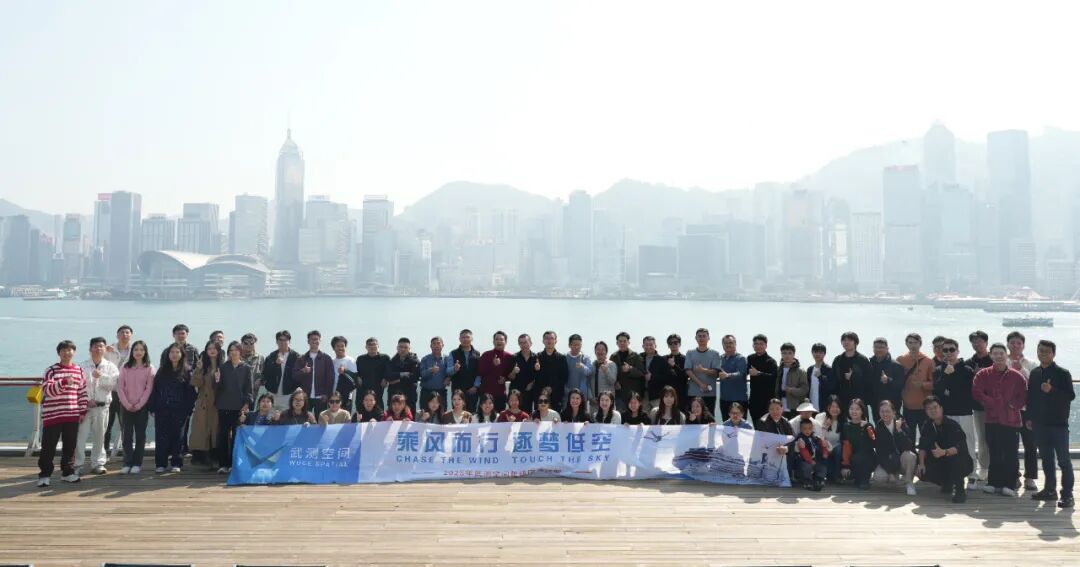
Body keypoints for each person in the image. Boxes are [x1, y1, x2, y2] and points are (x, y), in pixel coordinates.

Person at [972, 343, 1027, 497]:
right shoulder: (983, 374)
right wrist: (991, 402)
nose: (998, 356)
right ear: (991, 355)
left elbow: (1024, 395)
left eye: (1001, 353)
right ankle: (993, 482)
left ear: (1006, 355)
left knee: (1010, 453)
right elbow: (976, 392)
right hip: (992, 419)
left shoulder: (1017, 375)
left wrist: (1013, 405)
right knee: (994, 451)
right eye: (995, 353)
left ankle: (1009, 484)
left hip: (1011, 420)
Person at [1027, 339, 1074, 508]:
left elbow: (1070, 396)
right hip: (1040, 425)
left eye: (1046, 351)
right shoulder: (1034, 373)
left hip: (1058, 425)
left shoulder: (1063, 373)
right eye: (1040, 350)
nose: (1043, 354)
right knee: (1046, 460)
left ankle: (1067, 495)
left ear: (1053, 354)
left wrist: (1052, 390)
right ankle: (1049, 490)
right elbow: (1031, 397)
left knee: (1064, 461)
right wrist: (1029, 418)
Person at [37, 340, 88, 486]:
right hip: (52, 415)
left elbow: (82, 392)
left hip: (72, 414)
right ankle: (44, 475)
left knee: (70, 447)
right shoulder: (51, 370)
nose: (67, 353)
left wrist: (82, 410)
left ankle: (67, 473)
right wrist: (64, 382)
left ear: (74, 352)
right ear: (59, 353)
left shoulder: (79, 370)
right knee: (48, 447)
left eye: (70, 350)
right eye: (64, 350)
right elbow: (47, 390)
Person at [933, 337, 978, 488]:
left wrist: (949, 391)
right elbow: (937, 391)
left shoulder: (967, 370)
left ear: (957, 351)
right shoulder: (939, 370)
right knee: (948, 445)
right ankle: (951, 476)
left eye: (952, 349)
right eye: (945, 350)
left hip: (964, 413)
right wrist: (946, 375)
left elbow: (967, 393)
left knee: (968, 443)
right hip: (946, 414)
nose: (949, 353)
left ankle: (972, 475)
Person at [917, 396, 973, 503]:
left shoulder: (952, 425)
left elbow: (961, 447)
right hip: (940, 460)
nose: (932, 411)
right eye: (929, 409)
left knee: (956, 460)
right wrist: (921, 464)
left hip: (958, 460)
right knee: (921, 468)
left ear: (941, 408)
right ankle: (946, 483)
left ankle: (960, 490)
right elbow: (922, 446)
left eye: (935, 407)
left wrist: (944, 452)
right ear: (926, 411)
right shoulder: (927, 426)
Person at [76, 336, 119, 475]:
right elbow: (78, 387)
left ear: (105, 349)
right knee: (80, 437)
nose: (98, 349)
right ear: (90, 349)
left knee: (100, 437)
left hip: (102, 407)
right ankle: (77, 464)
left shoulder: (111, 366)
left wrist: (101, 377)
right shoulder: (81, 366)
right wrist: (86, 400)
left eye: (101, 346)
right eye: (95, 346)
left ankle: (98, 463)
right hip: (85, 407)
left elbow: (114, 385)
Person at [151, 343, 196, 473]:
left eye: (177, 352)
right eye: (172, 352)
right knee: (161, 436)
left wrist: (188, 409)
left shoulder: (187, 371)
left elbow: (191, 393)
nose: (174, 355)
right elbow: (155, 390)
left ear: (182, 354)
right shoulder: (162, 370)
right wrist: (153, 406)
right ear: (168, 354)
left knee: (178, 436)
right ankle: (161, 463)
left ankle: (176, 463)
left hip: (180, 409)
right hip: (162, 408)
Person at [1006, 331, 1039, 491]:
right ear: (1007, 344)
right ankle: (1013, 476)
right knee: (1010, 445)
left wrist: (1022, 370)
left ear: (1023, 345)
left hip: (1027, 410)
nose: (1015, 345)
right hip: (1009, 410)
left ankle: (1030, 477)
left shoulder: (1032, 364)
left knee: (1030, 444)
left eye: (1019, 343)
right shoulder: (1002, 361)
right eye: (1012, 342)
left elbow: (1035, 385)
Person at [215, 341, 253, 474]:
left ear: (240, 352)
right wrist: (217, 380)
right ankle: (223, 464)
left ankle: (235, 463)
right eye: (231, 350)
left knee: (237, 436)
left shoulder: (246, 368)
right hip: (224, 406)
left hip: (239, 407)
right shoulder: (223, 367)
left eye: (236, 350)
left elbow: (249, 388)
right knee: (223, 435)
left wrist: (247, 403)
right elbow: (217, 388)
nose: (233, 352)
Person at [117, 340, 154, 475]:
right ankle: (127, 462)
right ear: (132, 352)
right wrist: (127, 404)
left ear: (145, 352)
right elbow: (120, 387)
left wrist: (139, 405)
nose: (138, 352)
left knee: (140, 436)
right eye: (136, 349)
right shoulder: (125, 367)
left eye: (141, 350)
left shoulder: (149, 368)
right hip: (125, 406)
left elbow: (148, 389)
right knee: (126, 436)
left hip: (141, 407)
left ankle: (137, 463)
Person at [965, 329, 993, 488]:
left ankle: (997, 468)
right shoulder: (969, 362)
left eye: (980, 341)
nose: (977, 344)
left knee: (996, 437)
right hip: (978, 407)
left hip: (996, 406)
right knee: (982, 438)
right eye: (974, 342)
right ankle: (984, 468)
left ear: (986, 343)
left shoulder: (994, 359)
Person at [897, 332, 935, 446]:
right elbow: (896, 381)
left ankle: (925, 456)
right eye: (910, 343)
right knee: (909, 437)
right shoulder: (901, 360)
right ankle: (912, 456)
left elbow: (935, 384)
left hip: (925, 407)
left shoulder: (928, 361)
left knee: (926, 436)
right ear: (906, 344)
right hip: (907, 407)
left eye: (915, 343)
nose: (913, 345)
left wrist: (923, 385)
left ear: (920, 344)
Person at [873, 400, 917, 496]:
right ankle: (894, 475)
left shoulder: (902, 423)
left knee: (911, 456)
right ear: (879, 413)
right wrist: (890, 472)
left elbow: (909, 446)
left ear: (894, 412)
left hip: (902, 459)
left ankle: (909, 483)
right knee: (878, 477)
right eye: (882, 411)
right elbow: (880, 453)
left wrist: (899, 430)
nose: (885, 414)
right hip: (890, 460)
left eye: (887, 411)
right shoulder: (879, 427)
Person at [190, 340, 222, 468]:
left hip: (217, 404)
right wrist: (198, 369)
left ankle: (215, 458)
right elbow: (196, 383)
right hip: (203, 403)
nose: (212, 350)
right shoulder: (203, 366)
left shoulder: (223, 366)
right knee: (201, 431)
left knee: (216, 431)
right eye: (209, 348)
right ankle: (201, 458)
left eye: (214, 348)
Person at [103, 324, 134, 458]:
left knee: (126, 426)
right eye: (122, 332)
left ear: (131, 335)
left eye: (127, 332)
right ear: (117, 335)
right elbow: (98, 363)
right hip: (111, 391)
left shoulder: (136, 349)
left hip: (127, 393)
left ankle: (127, 454)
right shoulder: (108, 350)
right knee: (106, 425)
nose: (124, 335)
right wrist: (103, 350)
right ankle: (104, 452)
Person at [832, 332, 873, 418]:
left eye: (850, 340)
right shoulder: (838, 360)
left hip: (859, 401)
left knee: (861, 424)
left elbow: (870, 381)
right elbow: (834, 381)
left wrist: (854, 377)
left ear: (855, 342)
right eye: (844, 340)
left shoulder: (862, 360)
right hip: (842, 400)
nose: (846, 342)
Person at [295, 331, 335, 416]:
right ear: (308, 341)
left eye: (316, 339)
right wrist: (303, 371)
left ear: (320, 341)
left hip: (321, 397)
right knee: (304, 420)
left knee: (321, 421)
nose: (314, 341)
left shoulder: (326, 358)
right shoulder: (301, 358)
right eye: (312, 339)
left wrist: (327, 394)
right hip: (305, 397)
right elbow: (294, 376)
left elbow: (330, 378)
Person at [840, 398, 876, 490]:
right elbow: (845, 445)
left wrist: (867, 428)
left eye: (857, 409)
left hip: (868, 457)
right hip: (853, 457)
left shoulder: (868, 425)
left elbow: (874, 442)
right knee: (854, 459)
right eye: (851, 409)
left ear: (862, 411)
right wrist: (846, 465)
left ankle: (864, 480)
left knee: (860, 457)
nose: (854, 411)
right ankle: (857, 477)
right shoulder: (846, 426)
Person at [684, 328, 720, 416]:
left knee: (709, 417)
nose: (702, 338)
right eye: (699, 336)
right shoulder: (690, 353)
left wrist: (703, 370)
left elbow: (716, 372)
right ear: (696, 338)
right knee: (692, 417)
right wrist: (701, 384)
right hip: (693, 393)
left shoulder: (715, 354)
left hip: (710, 393)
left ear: (708, 338)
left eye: (704, 336)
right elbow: (688, 371)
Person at [262, 330, 300, 414]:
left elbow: (298, 375)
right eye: (280, 340)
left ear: (289, 341)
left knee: (286, 417)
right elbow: (266, 373)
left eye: (285, 340)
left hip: (289, 394)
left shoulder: (296, 356)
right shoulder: (271, 356)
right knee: (270, 417)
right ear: (277, 341)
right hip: (272, 393)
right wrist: (276, 364)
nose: (282, 342)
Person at [480, 331, 515, 411]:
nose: (499, 341)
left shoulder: (510, 357)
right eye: (496, 339)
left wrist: (505, 379)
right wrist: (493, 365)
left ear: (505, 342)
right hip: (486, 394)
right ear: (493, 341)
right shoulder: (486, 355)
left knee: (499, 417)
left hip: (500, 395)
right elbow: (480, 372)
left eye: (501, 339)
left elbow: (510, 375)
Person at [869, 337, 905, 413]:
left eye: (881, 347)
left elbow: (901, 385)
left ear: (887, 349)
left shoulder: (896, 365)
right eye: (876, 347)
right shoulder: (869, 364)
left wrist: (888, 380)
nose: (879, 350)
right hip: (875, 404)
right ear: (873, 348)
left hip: (892, 405)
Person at [612, 332, 645, 413]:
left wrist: (630, 369)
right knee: (620, 417)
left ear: (628, 342)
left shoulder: (636, 356)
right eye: (620, 341)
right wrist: (615, 382)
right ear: (617, 343)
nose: (622, 343)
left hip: (633, 395)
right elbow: (611, 373)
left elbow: (641, 372)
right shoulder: (613, 357)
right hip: (619, 395)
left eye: (624, 341)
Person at [814, 395, 845, 483]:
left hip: (836, 449)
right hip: (823, 448)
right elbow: (817, 437)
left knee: (839, 449)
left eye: (837, 407)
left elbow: (843, 441)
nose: (835, 409)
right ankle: (820, 474)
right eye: (832, 407)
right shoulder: (820, 417)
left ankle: (837, 476)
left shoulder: (843, 420)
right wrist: (824, 427)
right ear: (828, 408)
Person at [747, 334, 778, 422]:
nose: (758, 346)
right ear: (753, 345)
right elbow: (744, 372)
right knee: (756, 426)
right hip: (754, 400)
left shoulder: (771, 361)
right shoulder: (750, 358)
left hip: (767, 401)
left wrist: (758, 373)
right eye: (756, 344)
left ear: (766, 345)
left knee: (767, 426)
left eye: (761, 344)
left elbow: (774, 378)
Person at [448, 330, 481, 411]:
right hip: (457, 391)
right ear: (459, 339)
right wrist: (454, 369)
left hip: (472, 391)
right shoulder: (453, 353)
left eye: (467, 337)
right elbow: (448, 371)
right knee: (457, 414)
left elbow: (479, 372)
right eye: (463, 337)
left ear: (471, 339)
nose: (465, 339)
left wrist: (475, 386)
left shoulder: (477, 354)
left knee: (471, 414)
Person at [536, 331, 569, 411]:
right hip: (540, 395)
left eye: (551, 338)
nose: (549, 340)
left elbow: (564, 377)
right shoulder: (537, 357)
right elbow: (534, 377)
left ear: (555, 341)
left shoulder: (561, 358)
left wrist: (551, 389)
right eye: (547, 338)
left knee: (555, 418)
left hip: (556, 396)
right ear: (543, 341)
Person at [794, 418, 829, 491]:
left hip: (816, 458)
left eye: (809, 428)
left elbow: (823, 446)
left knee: (822, 466)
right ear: (801, 429)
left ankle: (820, 479)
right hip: (805, 460)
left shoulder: (815, 437)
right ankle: (807, 481)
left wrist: (825, 452)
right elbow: (803, 451)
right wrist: (810, 460)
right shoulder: (800, 439)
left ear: (812, 429)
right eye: (804, 429)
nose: (807, 431)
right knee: (806, 467)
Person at [356, 337, 391, 408]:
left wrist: (386, 378)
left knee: (378, 410)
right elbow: (356, 372)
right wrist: (357, 377)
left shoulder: (385, 358)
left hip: (378, 390)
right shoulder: (360, 359)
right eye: (369, 345)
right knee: (361, 410)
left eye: (374, 344)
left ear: (378, 346)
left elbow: (390, 371)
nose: (372, 346)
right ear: (366, 347)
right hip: (363, 391)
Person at [419, 336, 452, 414]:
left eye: (438, 343)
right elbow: (421, 374)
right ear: (430, 346)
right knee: (424, 416)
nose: (436, 346)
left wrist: (449, 378)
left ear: (442, 345)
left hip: (441, 392)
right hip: (426, 392)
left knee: (442, 416)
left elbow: (450, 372)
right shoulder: (425, 359)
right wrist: (431, 370)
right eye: (434, 344)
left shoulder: (447, 359)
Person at [776, 343, 809, 417]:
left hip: (795, 407)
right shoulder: (777, 370)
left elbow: (805, 389)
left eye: (790, 353)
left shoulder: (800, 371)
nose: (787, 356)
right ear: (781, 354)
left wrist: (792, 390)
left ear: (794, 354)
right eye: (784, 353)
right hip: (779, 407)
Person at [387, 337, 420, 412]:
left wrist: (397, 380)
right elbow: (388, 376)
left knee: (409, 418)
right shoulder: (391, 361)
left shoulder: (414, 361)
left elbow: (414, 377)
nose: (403, 349)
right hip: (393, 396)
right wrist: (402, 374)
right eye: (401, 347)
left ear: (409, 348)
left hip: (409, 396)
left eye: (405, 347)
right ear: (397, 348)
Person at [564, 334, 595, 413]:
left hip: (582, 395)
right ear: (569, 345)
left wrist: (582, 367)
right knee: (567, 415)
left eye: (579, 345)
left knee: (582, 415)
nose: (577, 347)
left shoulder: (585, 358)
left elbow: (590, 372)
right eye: (574, 345)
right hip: (567, 394)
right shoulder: (564, 357)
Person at [330, 336, 358, 412]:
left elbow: (355, 379)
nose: (340, 348)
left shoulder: (350, 361)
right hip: (333, 397)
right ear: (333, 348)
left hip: (346, 398)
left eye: (342, 346)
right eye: (338, 346)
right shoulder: (332, 361)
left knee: (346, 418)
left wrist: (345, 371)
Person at [807, 343, 835, 409]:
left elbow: (831, 387)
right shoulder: (810, 369)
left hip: (824, 406)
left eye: (820, 352)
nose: (817, 354)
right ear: (812, 353)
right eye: (815, 352)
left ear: (824, 354)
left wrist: (820, 377)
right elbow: (807, 387)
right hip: (811, 406)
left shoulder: (829, 369)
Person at [592, 341, 618, 410]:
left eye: (602, 349)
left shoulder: (611, 364)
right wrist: (591, 397)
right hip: (594, 403)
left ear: (606, 352)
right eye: (598, 349)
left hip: (607, 403)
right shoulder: (592, 365)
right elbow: (589, 383)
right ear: (595, 352)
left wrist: (606, 371)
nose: (600, 352)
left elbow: (612, 381)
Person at [240, 333, 265, 397]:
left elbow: (265, 374)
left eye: (252, 343)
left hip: (255, 394)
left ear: (255, 344)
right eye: (246, 343)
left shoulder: (260, 358)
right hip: (239, 393)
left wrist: (260, 380)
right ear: (241, 344)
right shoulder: (237, 357)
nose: (249, 345)